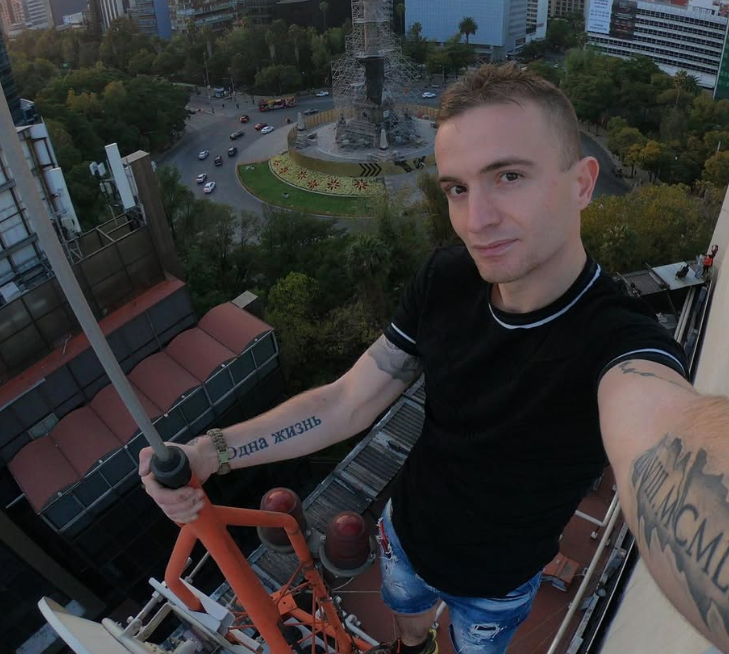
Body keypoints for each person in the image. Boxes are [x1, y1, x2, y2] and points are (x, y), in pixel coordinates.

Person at [140, 65, 729, 654]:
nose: (477, 220)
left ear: (582, 183)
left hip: (498, 584)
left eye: (509, 176)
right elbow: (348, 401)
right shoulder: (446, 279)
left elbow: (664, 436)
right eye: (457, 189)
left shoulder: (621, 345)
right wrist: (210, 452)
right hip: (406, 537)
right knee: (408, 624)